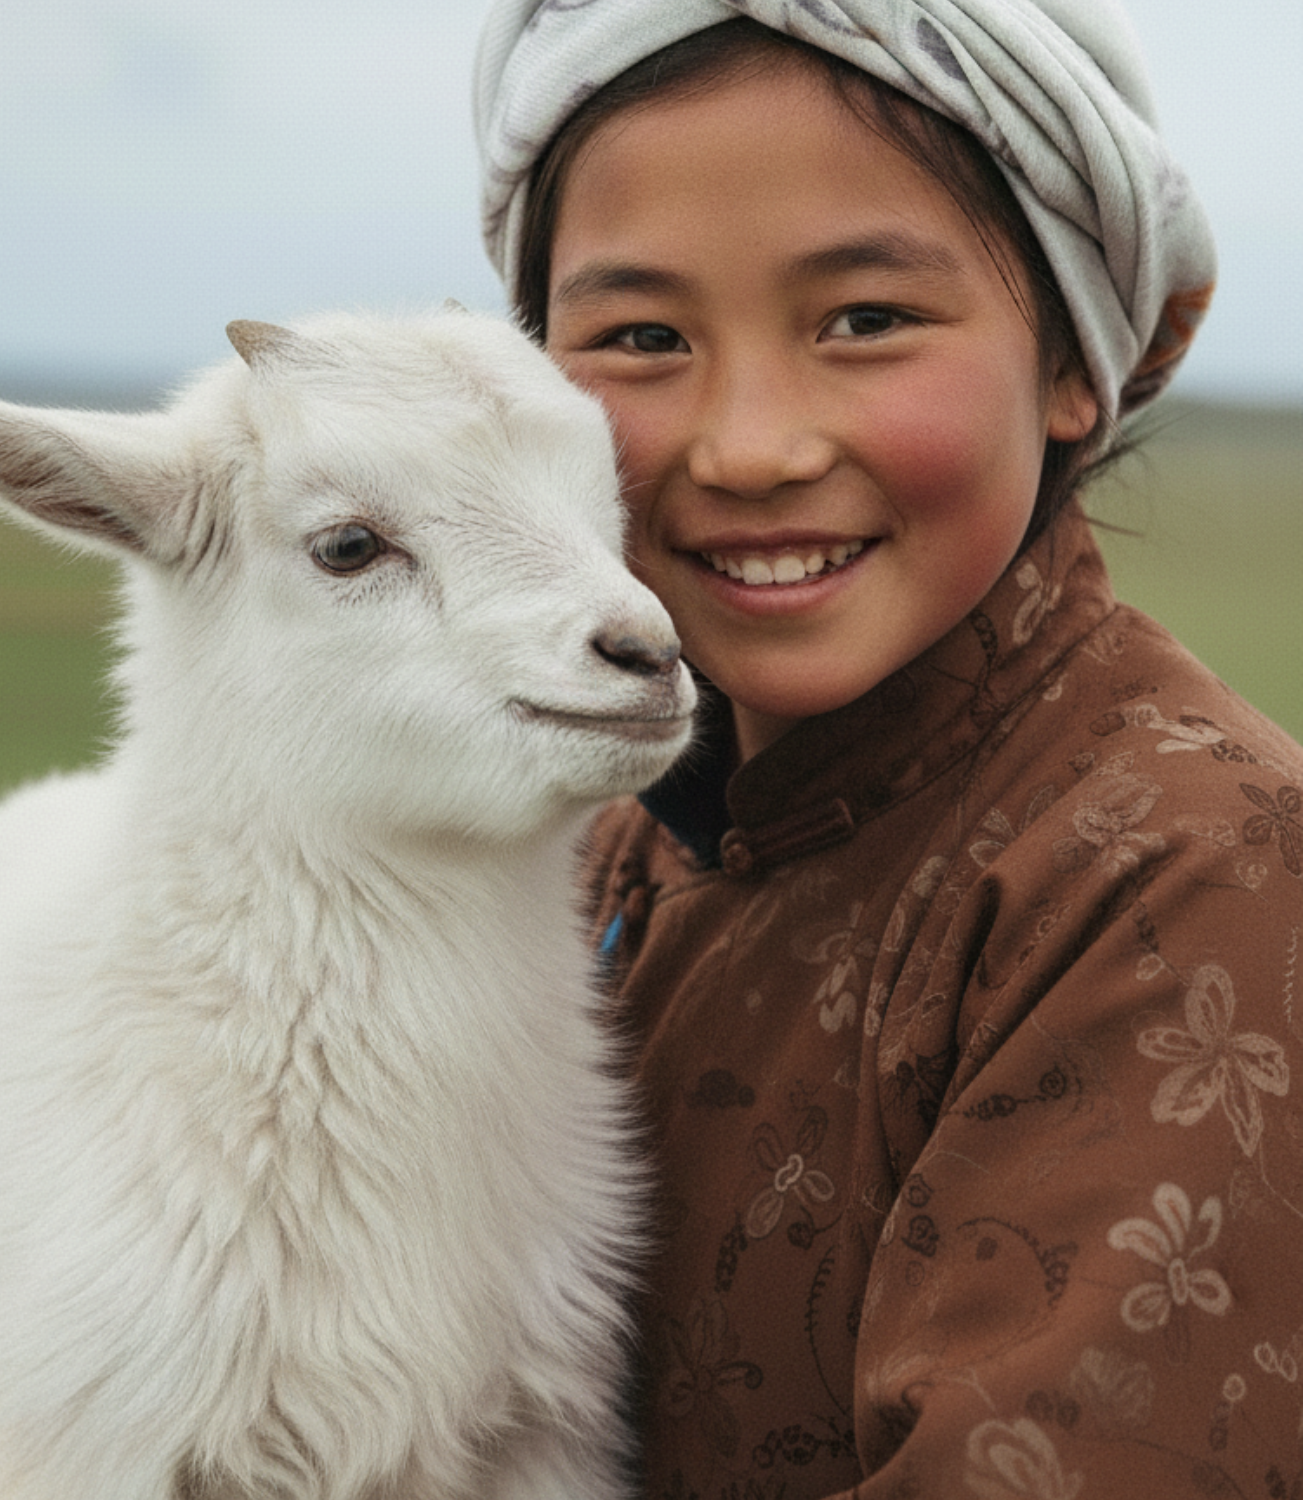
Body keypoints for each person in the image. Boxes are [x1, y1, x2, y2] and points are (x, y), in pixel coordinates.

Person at [472, 4, 1303, 1498]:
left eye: (864, 320)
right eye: (643, 339)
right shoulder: (597, 834)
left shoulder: (1195, 874)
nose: (749, 445)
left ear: (1072, 364)